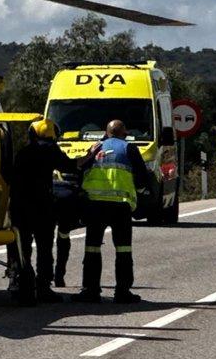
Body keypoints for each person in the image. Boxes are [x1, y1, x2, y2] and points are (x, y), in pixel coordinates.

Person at [7, 118, 76, 304]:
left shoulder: (23, 153)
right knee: (44, 249)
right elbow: (71, 166)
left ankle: (18, 282)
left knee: (21, 248)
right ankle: (43, 287)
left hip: (19, 208)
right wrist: (91, 155)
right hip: (42, 208)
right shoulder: (51, 152)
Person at [76, 119, 144, 304]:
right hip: (120, 206)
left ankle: (90, 290)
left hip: (95, 205)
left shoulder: (95, 148)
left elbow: (81, 170)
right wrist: (139, 195)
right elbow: (142, 176)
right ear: (124, 132)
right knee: (123, 249)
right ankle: (122, 291)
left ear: (107, 132)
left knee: (92, 247)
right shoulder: (129, 149)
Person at [51, 167, 82, 288]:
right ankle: (58, 276)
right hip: (68, 200)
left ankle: (46, 278)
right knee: (63, 236)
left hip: (50, 196)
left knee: (46, 241)